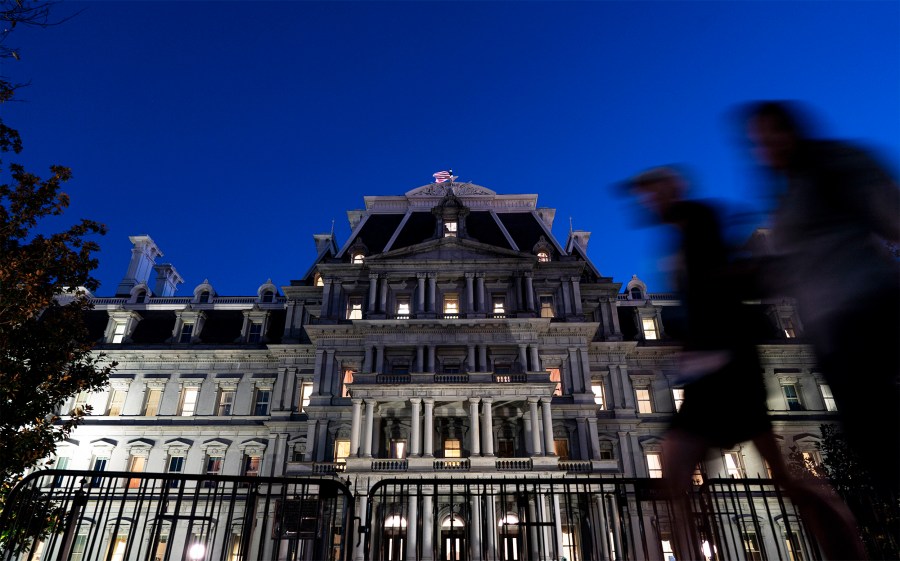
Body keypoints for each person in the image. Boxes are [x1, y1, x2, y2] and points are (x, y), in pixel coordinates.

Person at [626, 166, 865, 560]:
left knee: (689, 470)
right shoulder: (685, 231)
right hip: (716, 367)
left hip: (726, 366)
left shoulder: (698, 221)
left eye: (652, 194)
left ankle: (847, 544)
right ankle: (848, 544)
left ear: (670, 190)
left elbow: (721, 283)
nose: (649, 204)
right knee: (683, 472)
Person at [744, 101, 900, 499]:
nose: (763, 149)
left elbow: (891, 215)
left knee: (877, 428)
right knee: (867, 434)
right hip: (831, 327)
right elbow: (778, 271)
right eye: (757, 142)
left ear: (787, 131)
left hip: (868, 306)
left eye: (767, 137)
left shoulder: (837, 162)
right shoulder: (788, 197)